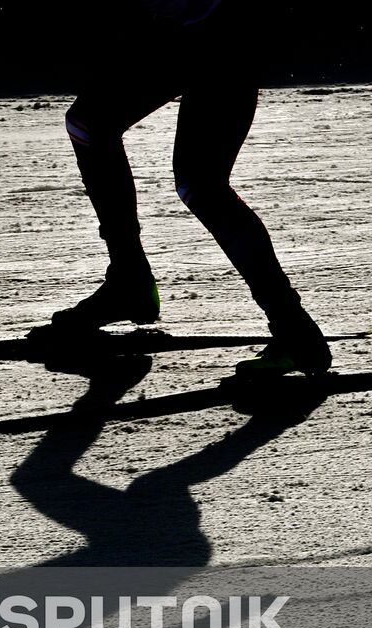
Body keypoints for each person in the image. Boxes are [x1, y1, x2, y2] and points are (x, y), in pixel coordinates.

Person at [30, 0, 331, 375]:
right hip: (176, 35)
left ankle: (295, 331)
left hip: (225, 37)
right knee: (88, 125)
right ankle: (129, 281)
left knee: (200, 184)